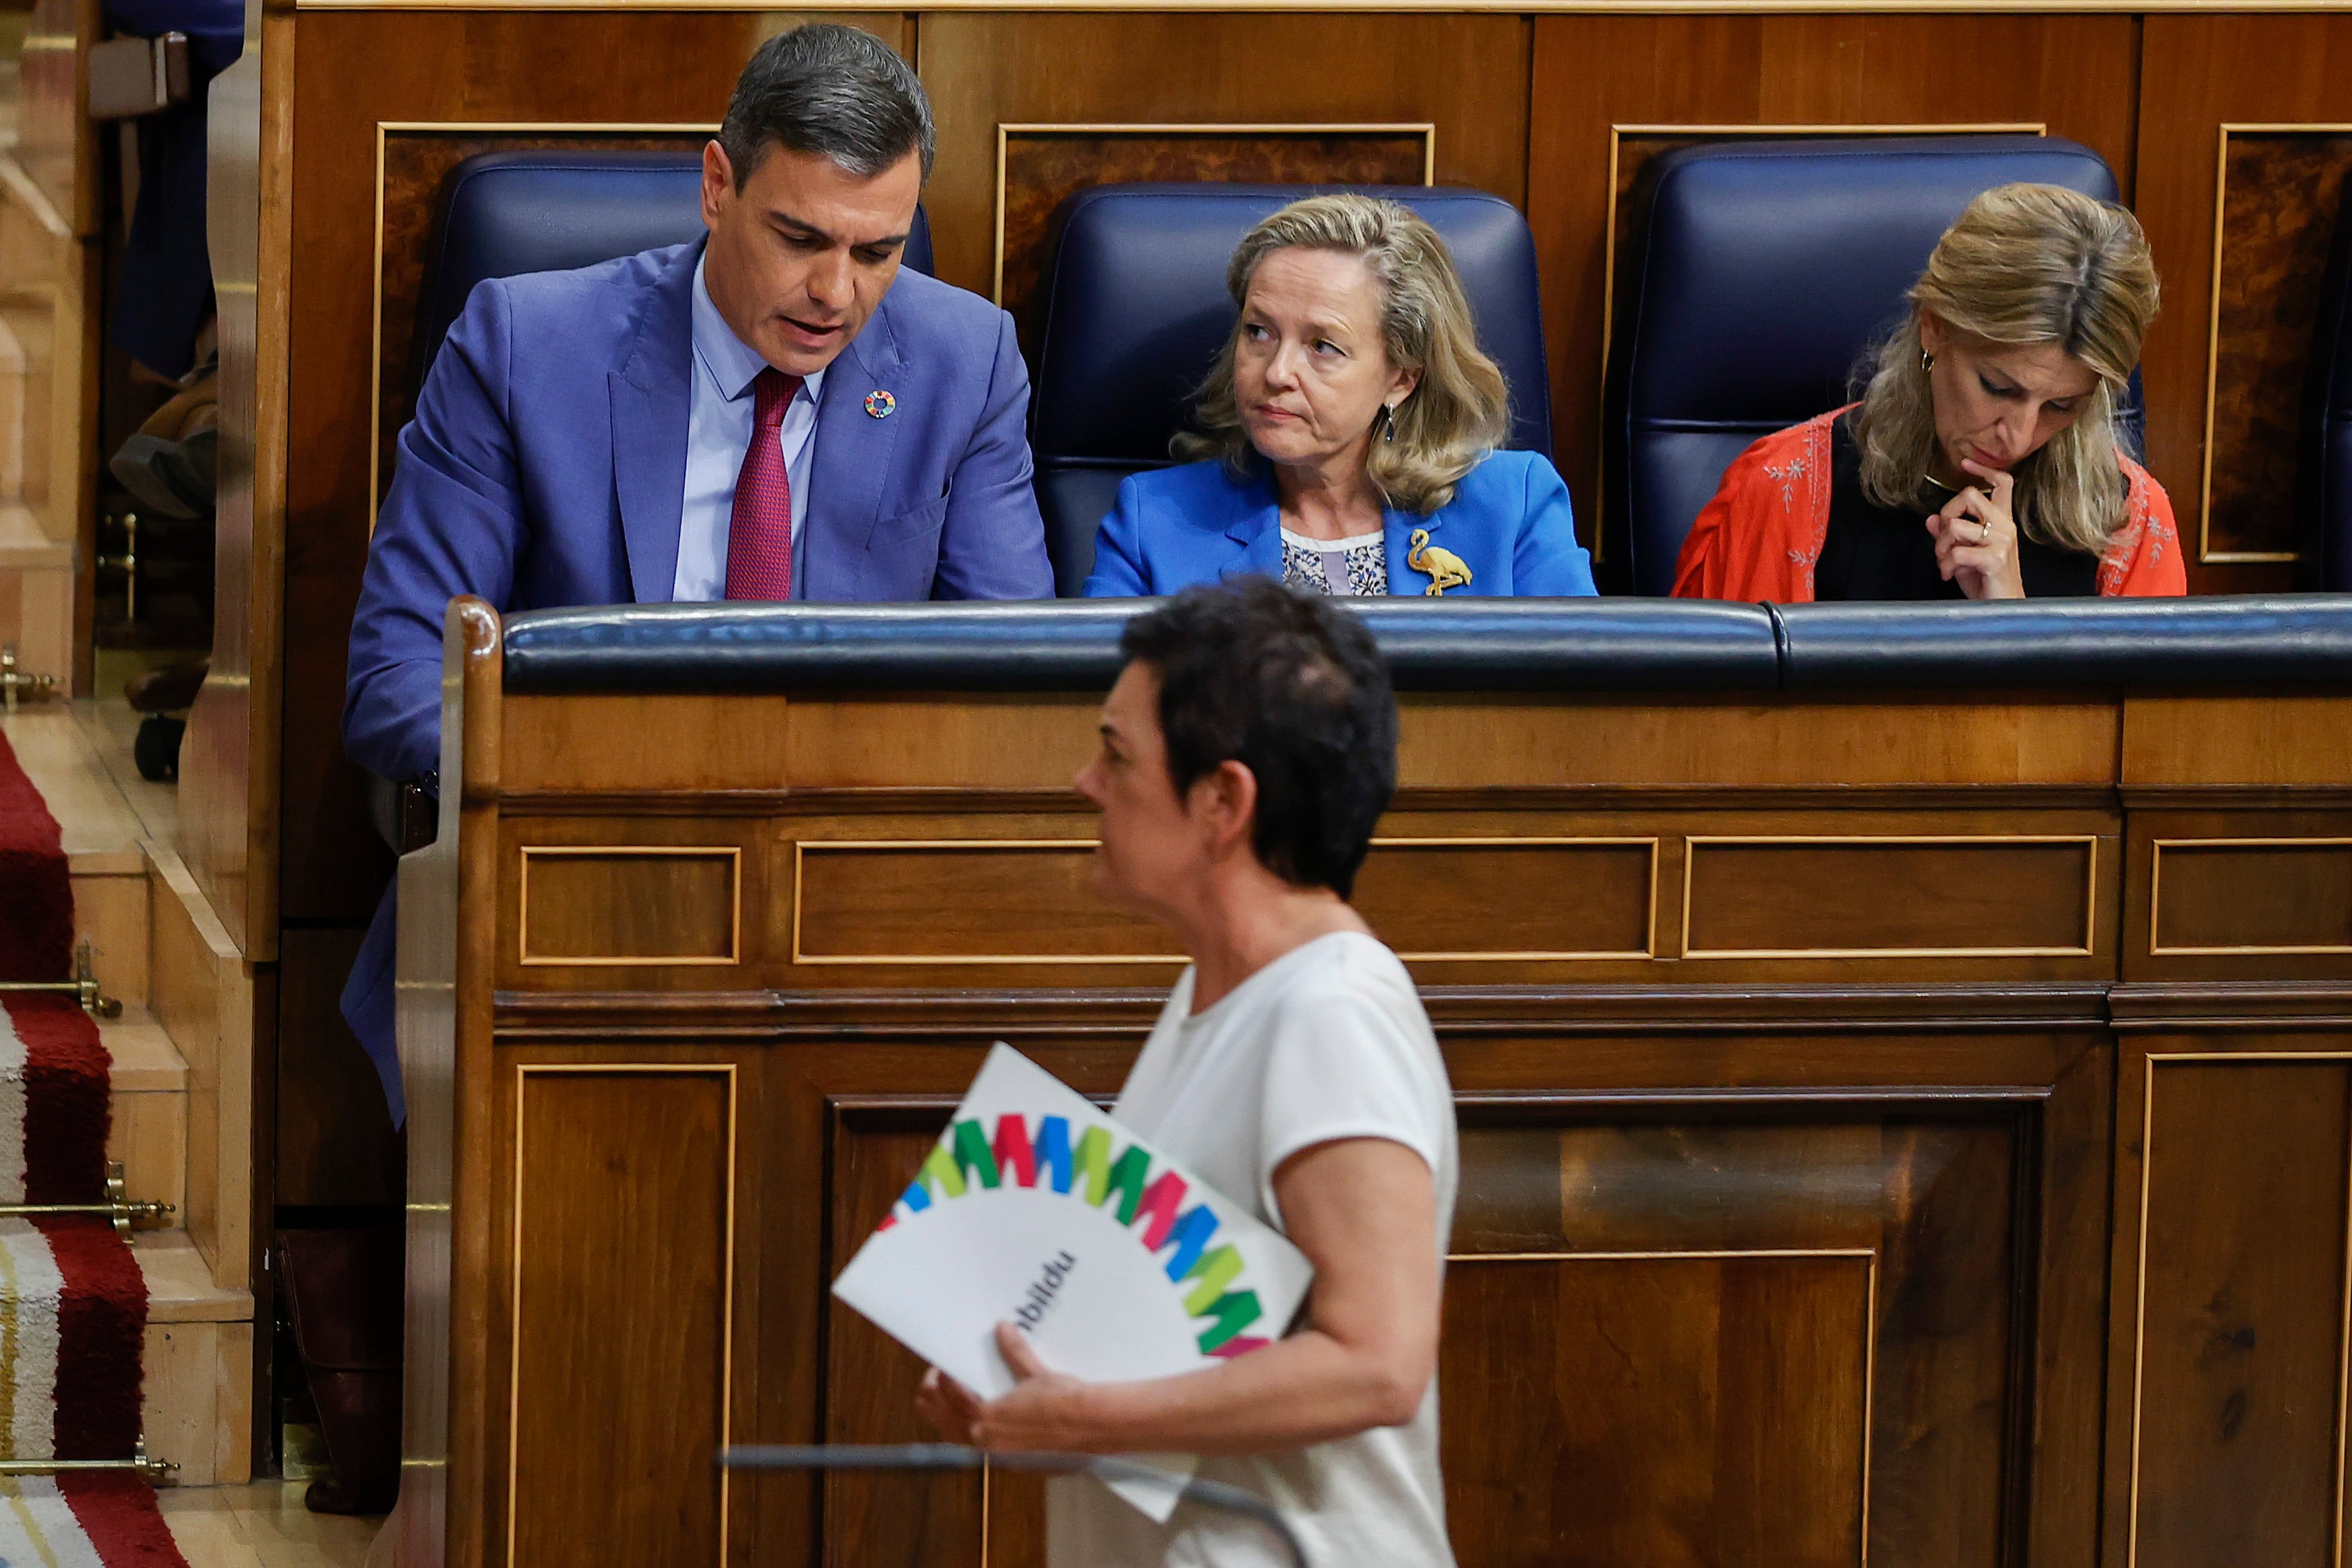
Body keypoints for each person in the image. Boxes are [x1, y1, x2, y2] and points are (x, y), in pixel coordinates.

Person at [338, 25, 1052, 1121]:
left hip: (849, 904)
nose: (835, 294)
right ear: (717, 184)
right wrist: (634, 783)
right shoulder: (526, 345)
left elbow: (1011, 690)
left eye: (877, 252)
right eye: (800, 236)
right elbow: (395, 680)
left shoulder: (967, 362)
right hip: (576, 880)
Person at [918, 579, 1459, 1568]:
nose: (1086, 781)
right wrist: (1027, 1391)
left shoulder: (1330, 1012)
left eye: (1117, 754)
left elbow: (1377, 1363)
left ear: (1223, 801)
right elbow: (1188, 1343)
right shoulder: (1212, 991)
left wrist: (1088, 1418)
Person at [1672, 182, 2184, 602]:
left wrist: (2011, 622)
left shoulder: (2129, 522)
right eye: (1998, 388)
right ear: (1934, 327)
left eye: (2060, 406)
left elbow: (2138, 727)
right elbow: (1719, 719)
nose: (2019, 436)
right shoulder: (1783, 491)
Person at [1083, 194, 1594, 599]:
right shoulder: (1153, 521)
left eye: (1322, 346)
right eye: (1258, 332)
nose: (1277, 372)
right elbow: (1093, 712)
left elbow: (1578, 708)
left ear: (1401, 377)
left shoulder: (1513, 507)